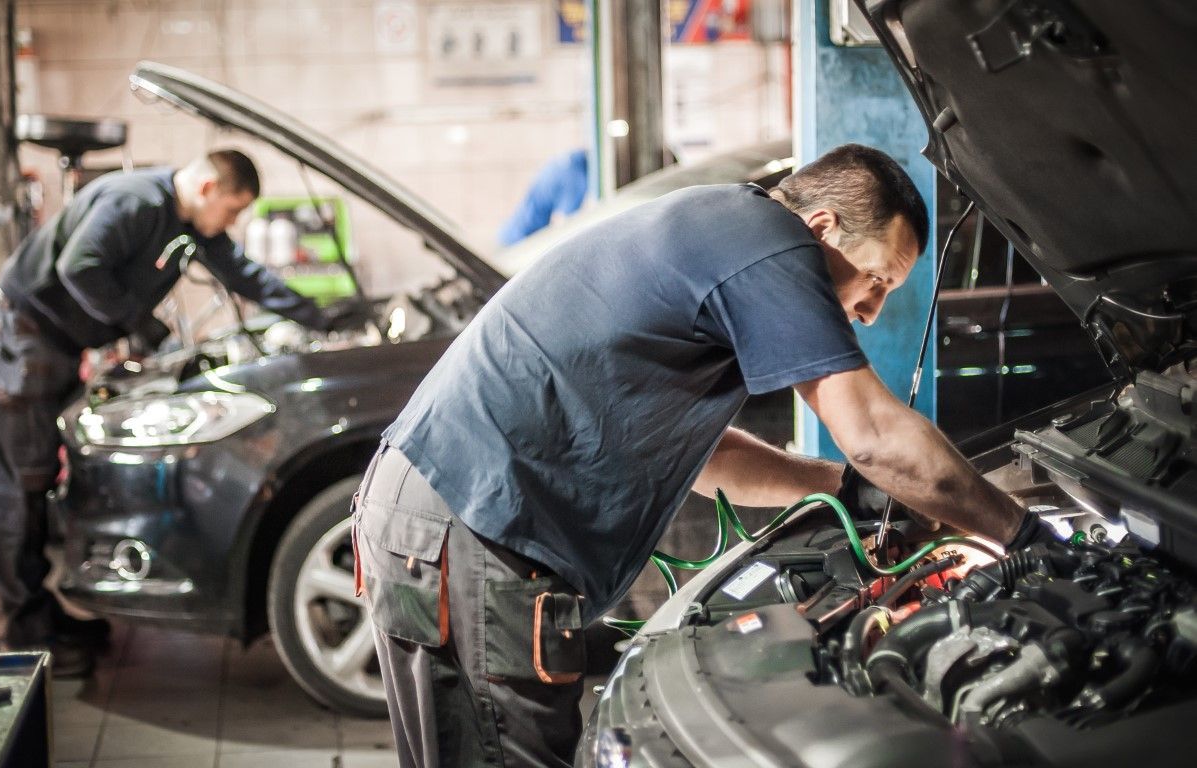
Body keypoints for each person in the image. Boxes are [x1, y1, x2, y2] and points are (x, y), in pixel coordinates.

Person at [355, 144, 1050, 767]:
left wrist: (839, 488)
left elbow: (710, 457)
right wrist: (1022, 535)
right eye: (876, 281)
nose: (869, 310)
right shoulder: (768, 245)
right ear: (821, 229)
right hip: (470, 527)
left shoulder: (719, 228)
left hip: (430, 517)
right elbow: (869, 431)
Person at [0, 149, 355, 676]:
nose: (233, 223)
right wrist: (140, 324)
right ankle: (24, 631)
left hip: (50, 346)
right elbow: (78, 266)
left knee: (34, 480)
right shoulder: (135, 201)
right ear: (207, 189)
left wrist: (322, 317)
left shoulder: (190, 224)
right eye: (233, 210)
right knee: (19, 483)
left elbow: (243, 274)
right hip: (17, 339)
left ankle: (38, 615)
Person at [497, 149, 589, 246]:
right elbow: (566, 225)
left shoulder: (564, 162)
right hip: (521, 239)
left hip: (510, 233)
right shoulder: (576, 178)